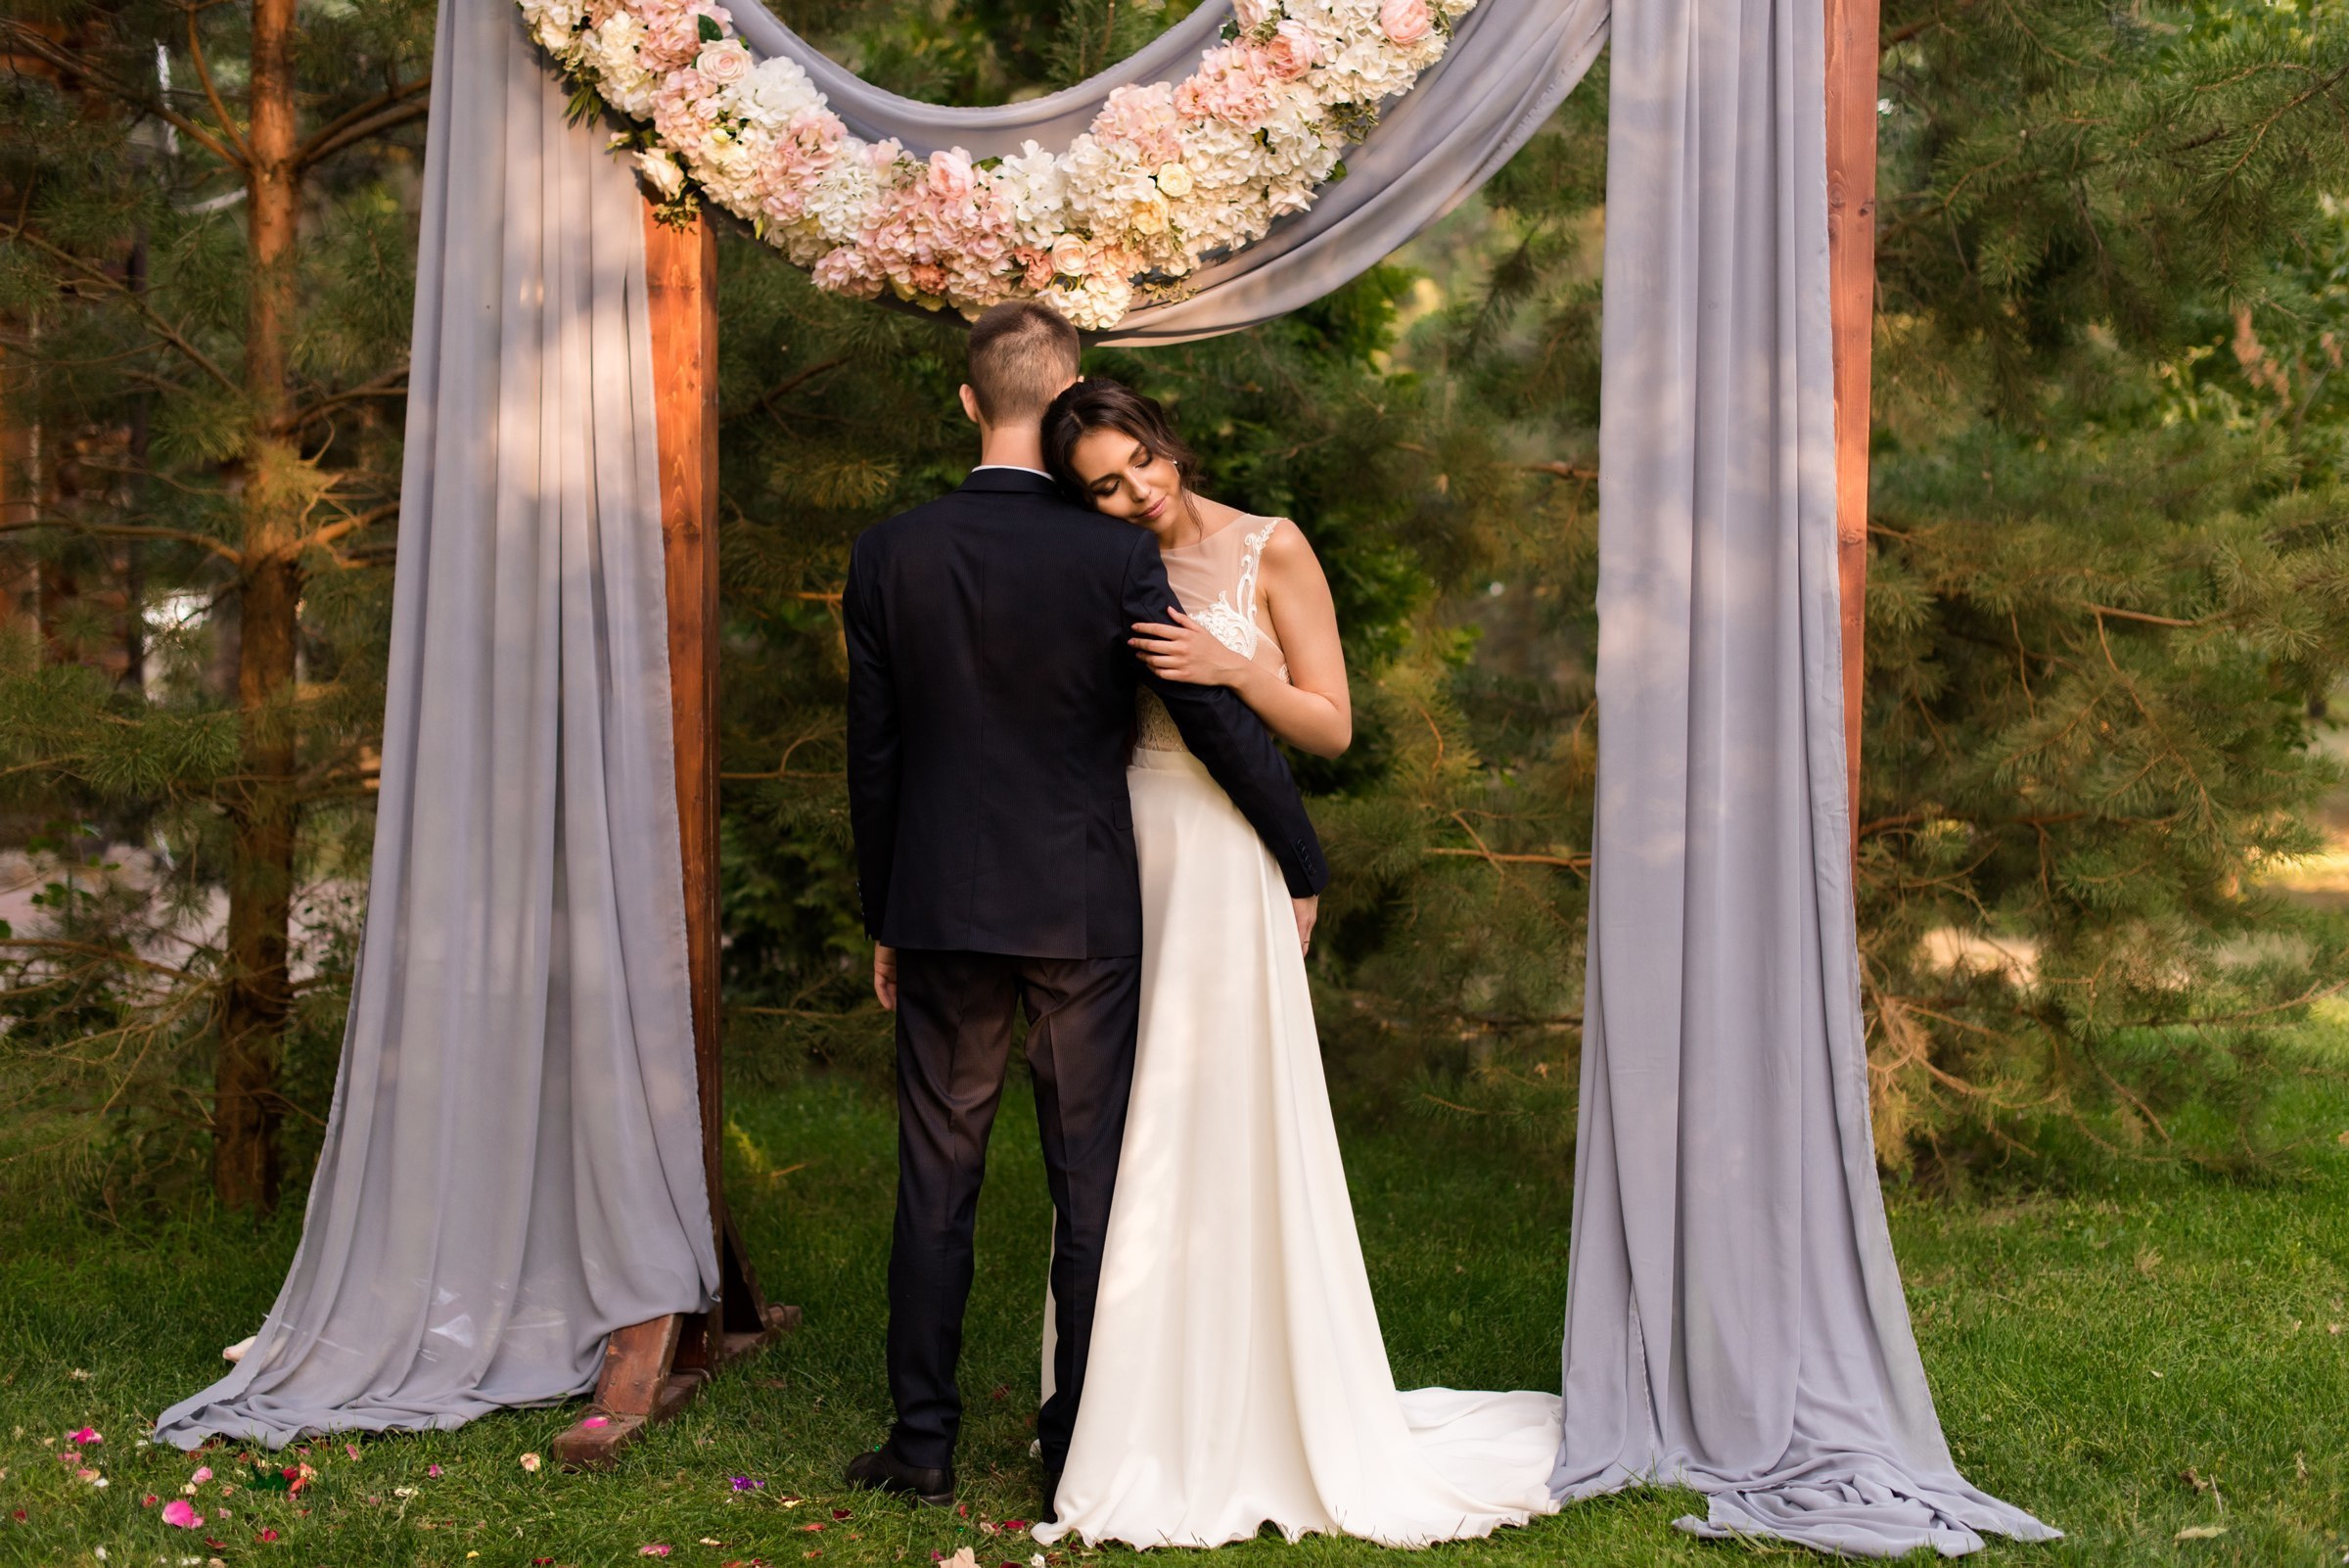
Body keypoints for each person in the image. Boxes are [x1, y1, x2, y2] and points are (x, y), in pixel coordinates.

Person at [1030, 378, 1564, 1549]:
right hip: (1121, 850)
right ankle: (1117, 1399)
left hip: (1224, 855)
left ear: (1169, 442)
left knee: (1225, 1111)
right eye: (1104, 487)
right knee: (1115, 1126)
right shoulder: (1091, 566)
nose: (1134, 496)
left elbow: (1332, 724)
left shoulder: (1268, 548)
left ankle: (1255, 1394)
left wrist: (1238, 674)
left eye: (1142, 466)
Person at [840, 304, 1329, 1513]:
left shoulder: (890, 552)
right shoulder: (1114, 556)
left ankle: (922, 1446)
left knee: (938, 1174)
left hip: (945, 906)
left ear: (967, 401)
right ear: (1067, 402)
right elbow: (1215, 725)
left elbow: (876, 758)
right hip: (1081, 911)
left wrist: (886, 914)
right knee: (1089, 1182)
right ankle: (1074, 1448)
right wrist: (1300, 856)